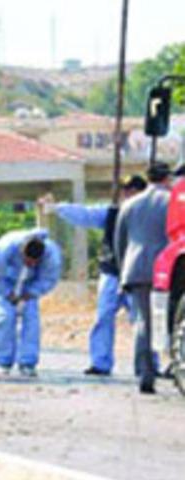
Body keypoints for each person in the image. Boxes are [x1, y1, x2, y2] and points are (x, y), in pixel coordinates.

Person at [40, 175, 147, 376]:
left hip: (137, 274)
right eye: (124, 190)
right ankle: (100, 362)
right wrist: (59, 208)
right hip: (111, 272)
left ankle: (147, 364)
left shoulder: (149, 214)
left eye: (130, 190)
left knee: (141, 320)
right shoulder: (112, 213)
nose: (125, 194)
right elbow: (85, 214)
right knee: (103, 317)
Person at [115, 162, 172, 394]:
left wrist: (123, 271)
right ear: (167, 178)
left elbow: (120, 241)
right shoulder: (173, 202)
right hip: (166, 269)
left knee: (143, 323)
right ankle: (172, 365)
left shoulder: (130, 204)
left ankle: (144, 373)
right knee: (168, 320)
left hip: (135, 268)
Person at [0, 230, 62, 377]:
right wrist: (7, 293)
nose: (31, 264)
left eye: (35, 262)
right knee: (4, 318)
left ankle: (28, 363)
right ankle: (3, 362)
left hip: (30, 285)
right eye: (27, 260)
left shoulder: (51, 255)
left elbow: (49, 278)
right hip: (6, 282)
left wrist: (32, 292)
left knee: (31, 321)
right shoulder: (3, 249)